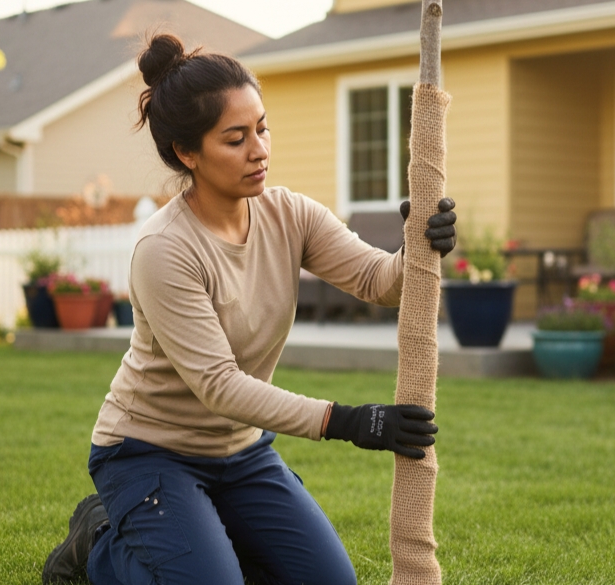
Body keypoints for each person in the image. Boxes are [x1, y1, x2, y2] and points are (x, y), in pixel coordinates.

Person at [41, 33, 457, 585]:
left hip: (242, 452)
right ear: (188, 153)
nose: (259, 149)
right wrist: (347, 421)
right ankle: (97, 545)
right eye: (235, 138)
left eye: (262, 128)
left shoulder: (290, 214)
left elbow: (379, 281)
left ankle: (210, 542)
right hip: (149, 452)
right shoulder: (165, 249)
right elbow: (219, 385)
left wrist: (420, 244)